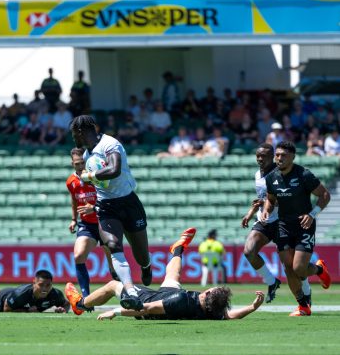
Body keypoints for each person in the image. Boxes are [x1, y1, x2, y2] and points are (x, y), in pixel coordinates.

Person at [65, 228, 265, 320]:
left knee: (113, 285)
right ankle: (177, 250)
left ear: (207, 295)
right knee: (172, 278)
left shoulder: (181, 300)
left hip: (150, 300)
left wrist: (114, 312)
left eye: (211, 289)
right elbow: (230, 316)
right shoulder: (210, 312)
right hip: (169, 297)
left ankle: (80, 304)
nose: (208, 289)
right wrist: (252, 307)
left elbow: (147, 308)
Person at [70, 115, 152, 311]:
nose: (73, 137)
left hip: (128, 202)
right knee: (113, 244)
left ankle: (146, 265)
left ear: (81, 131)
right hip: (106, 205)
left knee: (140, 254)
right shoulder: (88, 156)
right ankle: (130, 290)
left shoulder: (109, 144)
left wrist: (89, 176)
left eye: (74, 133)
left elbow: (114, 170)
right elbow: (98, 180)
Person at [262, 141, 331, 316]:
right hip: (284, 225)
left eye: (283, 155)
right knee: (288, 267)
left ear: (293, 157)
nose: (279, 158)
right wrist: (265, 210)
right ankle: (303, 306)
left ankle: (319, 269)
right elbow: (271, 199)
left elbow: (324, 195)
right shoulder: (271, 177)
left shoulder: (304, 175)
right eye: (277, 155)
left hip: (303, 224)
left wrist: (312, 214)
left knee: (299, 268)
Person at [241, 143, 292, 303]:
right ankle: (272, 281)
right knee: (249, 251)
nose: (260, 158)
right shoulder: (257, 174)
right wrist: (250, 213)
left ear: (272, 157)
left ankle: (307, 291)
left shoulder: (280, 174)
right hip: (263, 220)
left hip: (281, 221)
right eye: (258, 155)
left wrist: (266, 202)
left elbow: (285, 198)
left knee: (291, 266)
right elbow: (261, 199)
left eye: (264, 156)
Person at [66, 148, 118, 297]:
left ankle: (124, 293)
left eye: (83, 162)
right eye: (77, 163)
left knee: (113, 260)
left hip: (104, 220)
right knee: (78, 256)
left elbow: (109, 198)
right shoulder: (71, 181)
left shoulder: (97, 177)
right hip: (87, 225)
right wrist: (74, 219)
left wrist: (94, 208)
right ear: (72, 164)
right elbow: (74, 199)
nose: (81, 166)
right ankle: (86, 298)